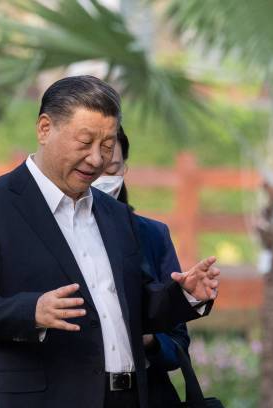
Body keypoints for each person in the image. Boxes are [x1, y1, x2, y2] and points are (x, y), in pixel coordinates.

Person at [0, 75, 219, 408]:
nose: (96, 159)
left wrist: (184, 294)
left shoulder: (115, 215)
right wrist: (32, 311)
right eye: (84, 142)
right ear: (45, 128)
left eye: (106, 145)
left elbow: (130, 305)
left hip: (131, 397)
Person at [92, 125, 188, 406]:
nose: (102, 178)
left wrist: (150, 340)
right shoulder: (46, 235)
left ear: (124, 171)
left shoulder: (152, 235)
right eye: (93, 169)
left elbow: (178, 342)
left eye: (112, 169)